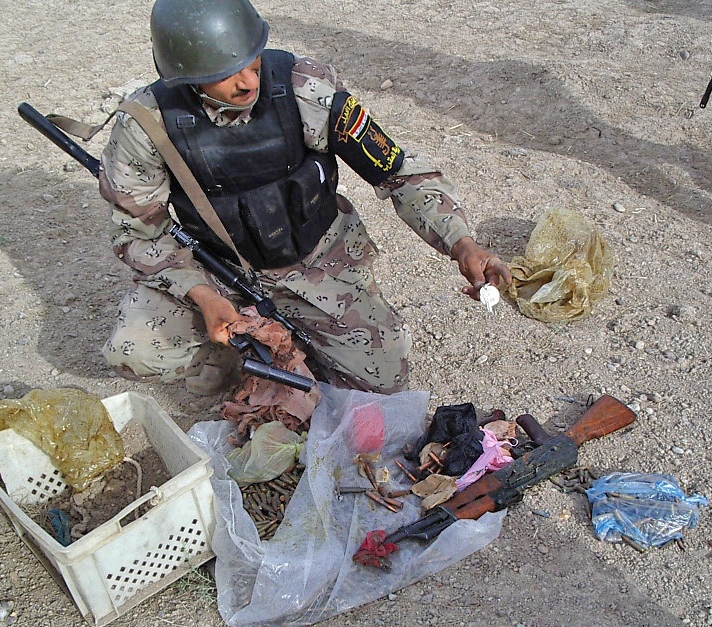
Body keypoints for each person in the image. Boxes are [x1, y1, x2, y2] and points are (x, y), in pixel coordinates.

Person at [98, 0, 511, 395]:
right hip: (220, 271)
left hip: (318, 262)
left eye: (252, 60)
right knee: (134, 351)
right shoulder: (146, 126)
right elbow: (139, 233)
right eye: (226, 73)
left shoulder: (305, 87)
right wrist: (202, 296)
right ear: (185, 76)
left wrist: (461, 243)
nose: (248, 81)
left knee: (384, 381)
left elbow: (397, 172)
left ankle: (280, 342)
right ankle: (233, 352)